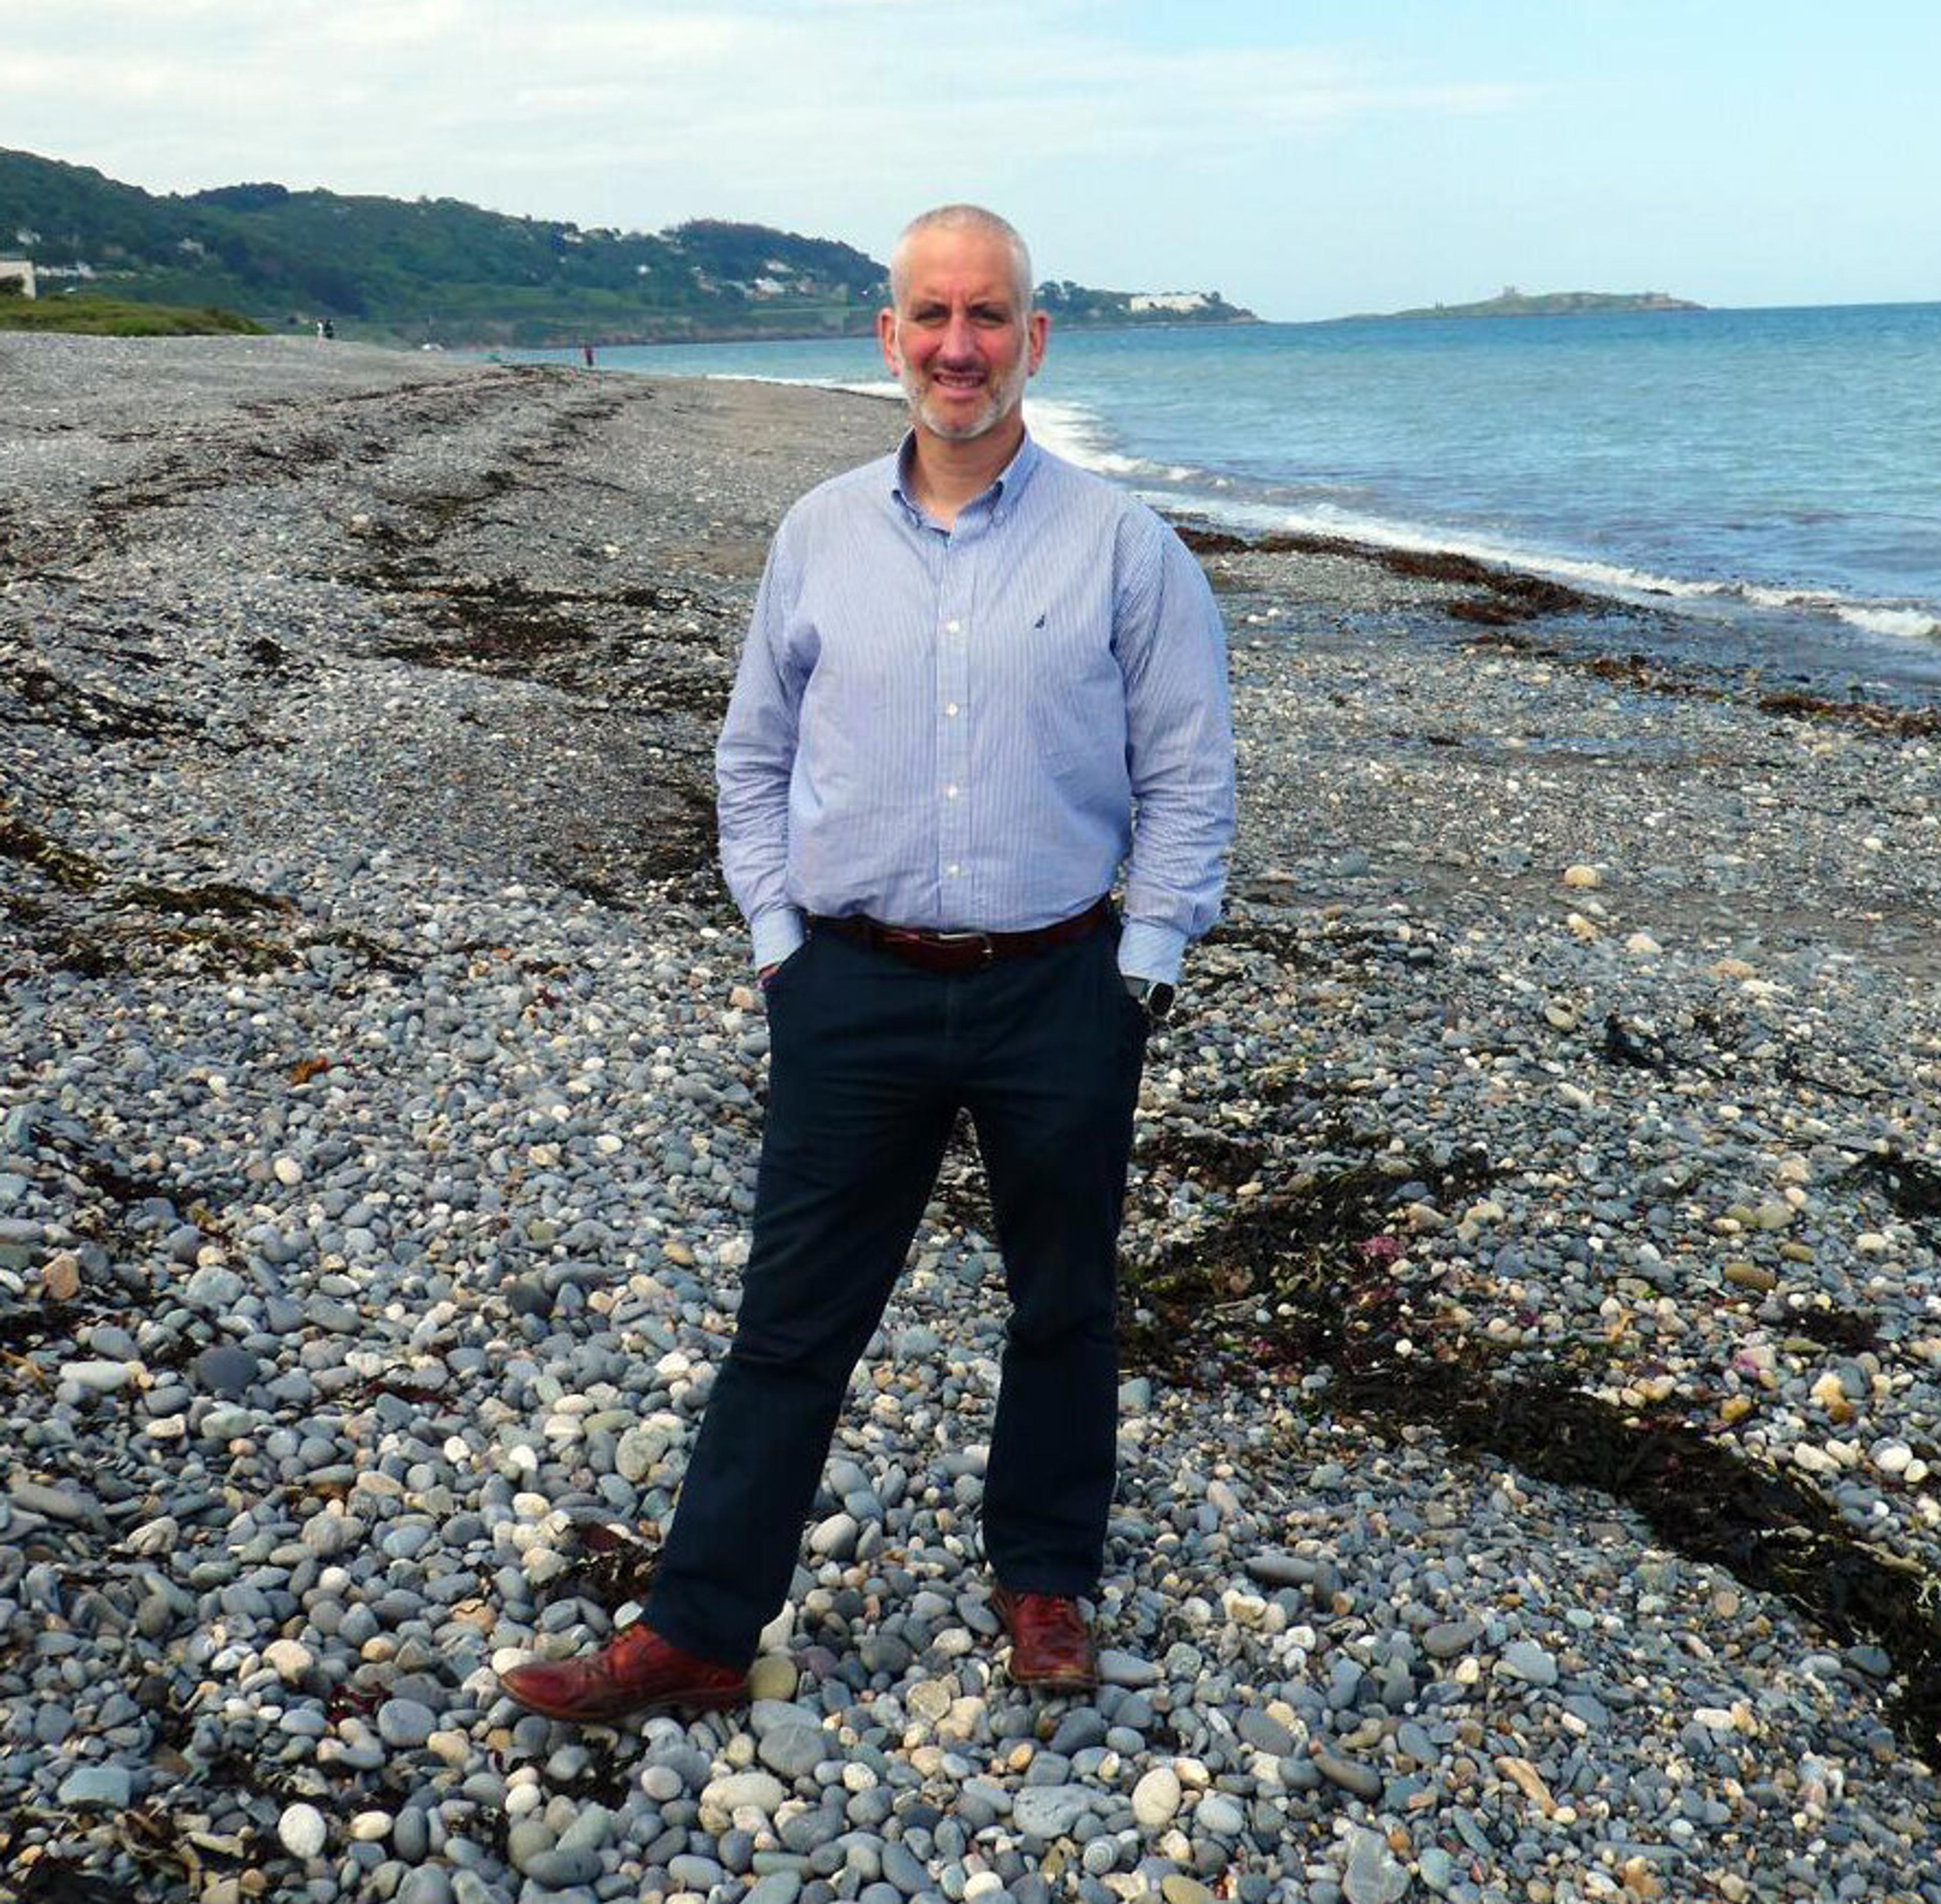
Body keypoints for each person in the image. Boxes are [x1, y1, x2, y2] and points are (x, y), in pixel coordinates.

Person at [499, 204, 1234, 1724]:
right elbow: (750, 758)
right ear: (886, 335)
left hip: (1060, 988)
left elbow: (1190, 780)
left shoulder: (1126, 548)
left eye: (987, 317)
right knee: (793, 1321)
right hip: (853, 986)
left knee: (1065, 1304)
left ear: (1035, 340)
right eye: (928, 315)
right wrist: (782, 946)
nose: (956, 346)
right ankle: (700, 1628)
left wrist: (1140, 974)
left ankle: (1045, 1578)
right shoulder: (818, 535)